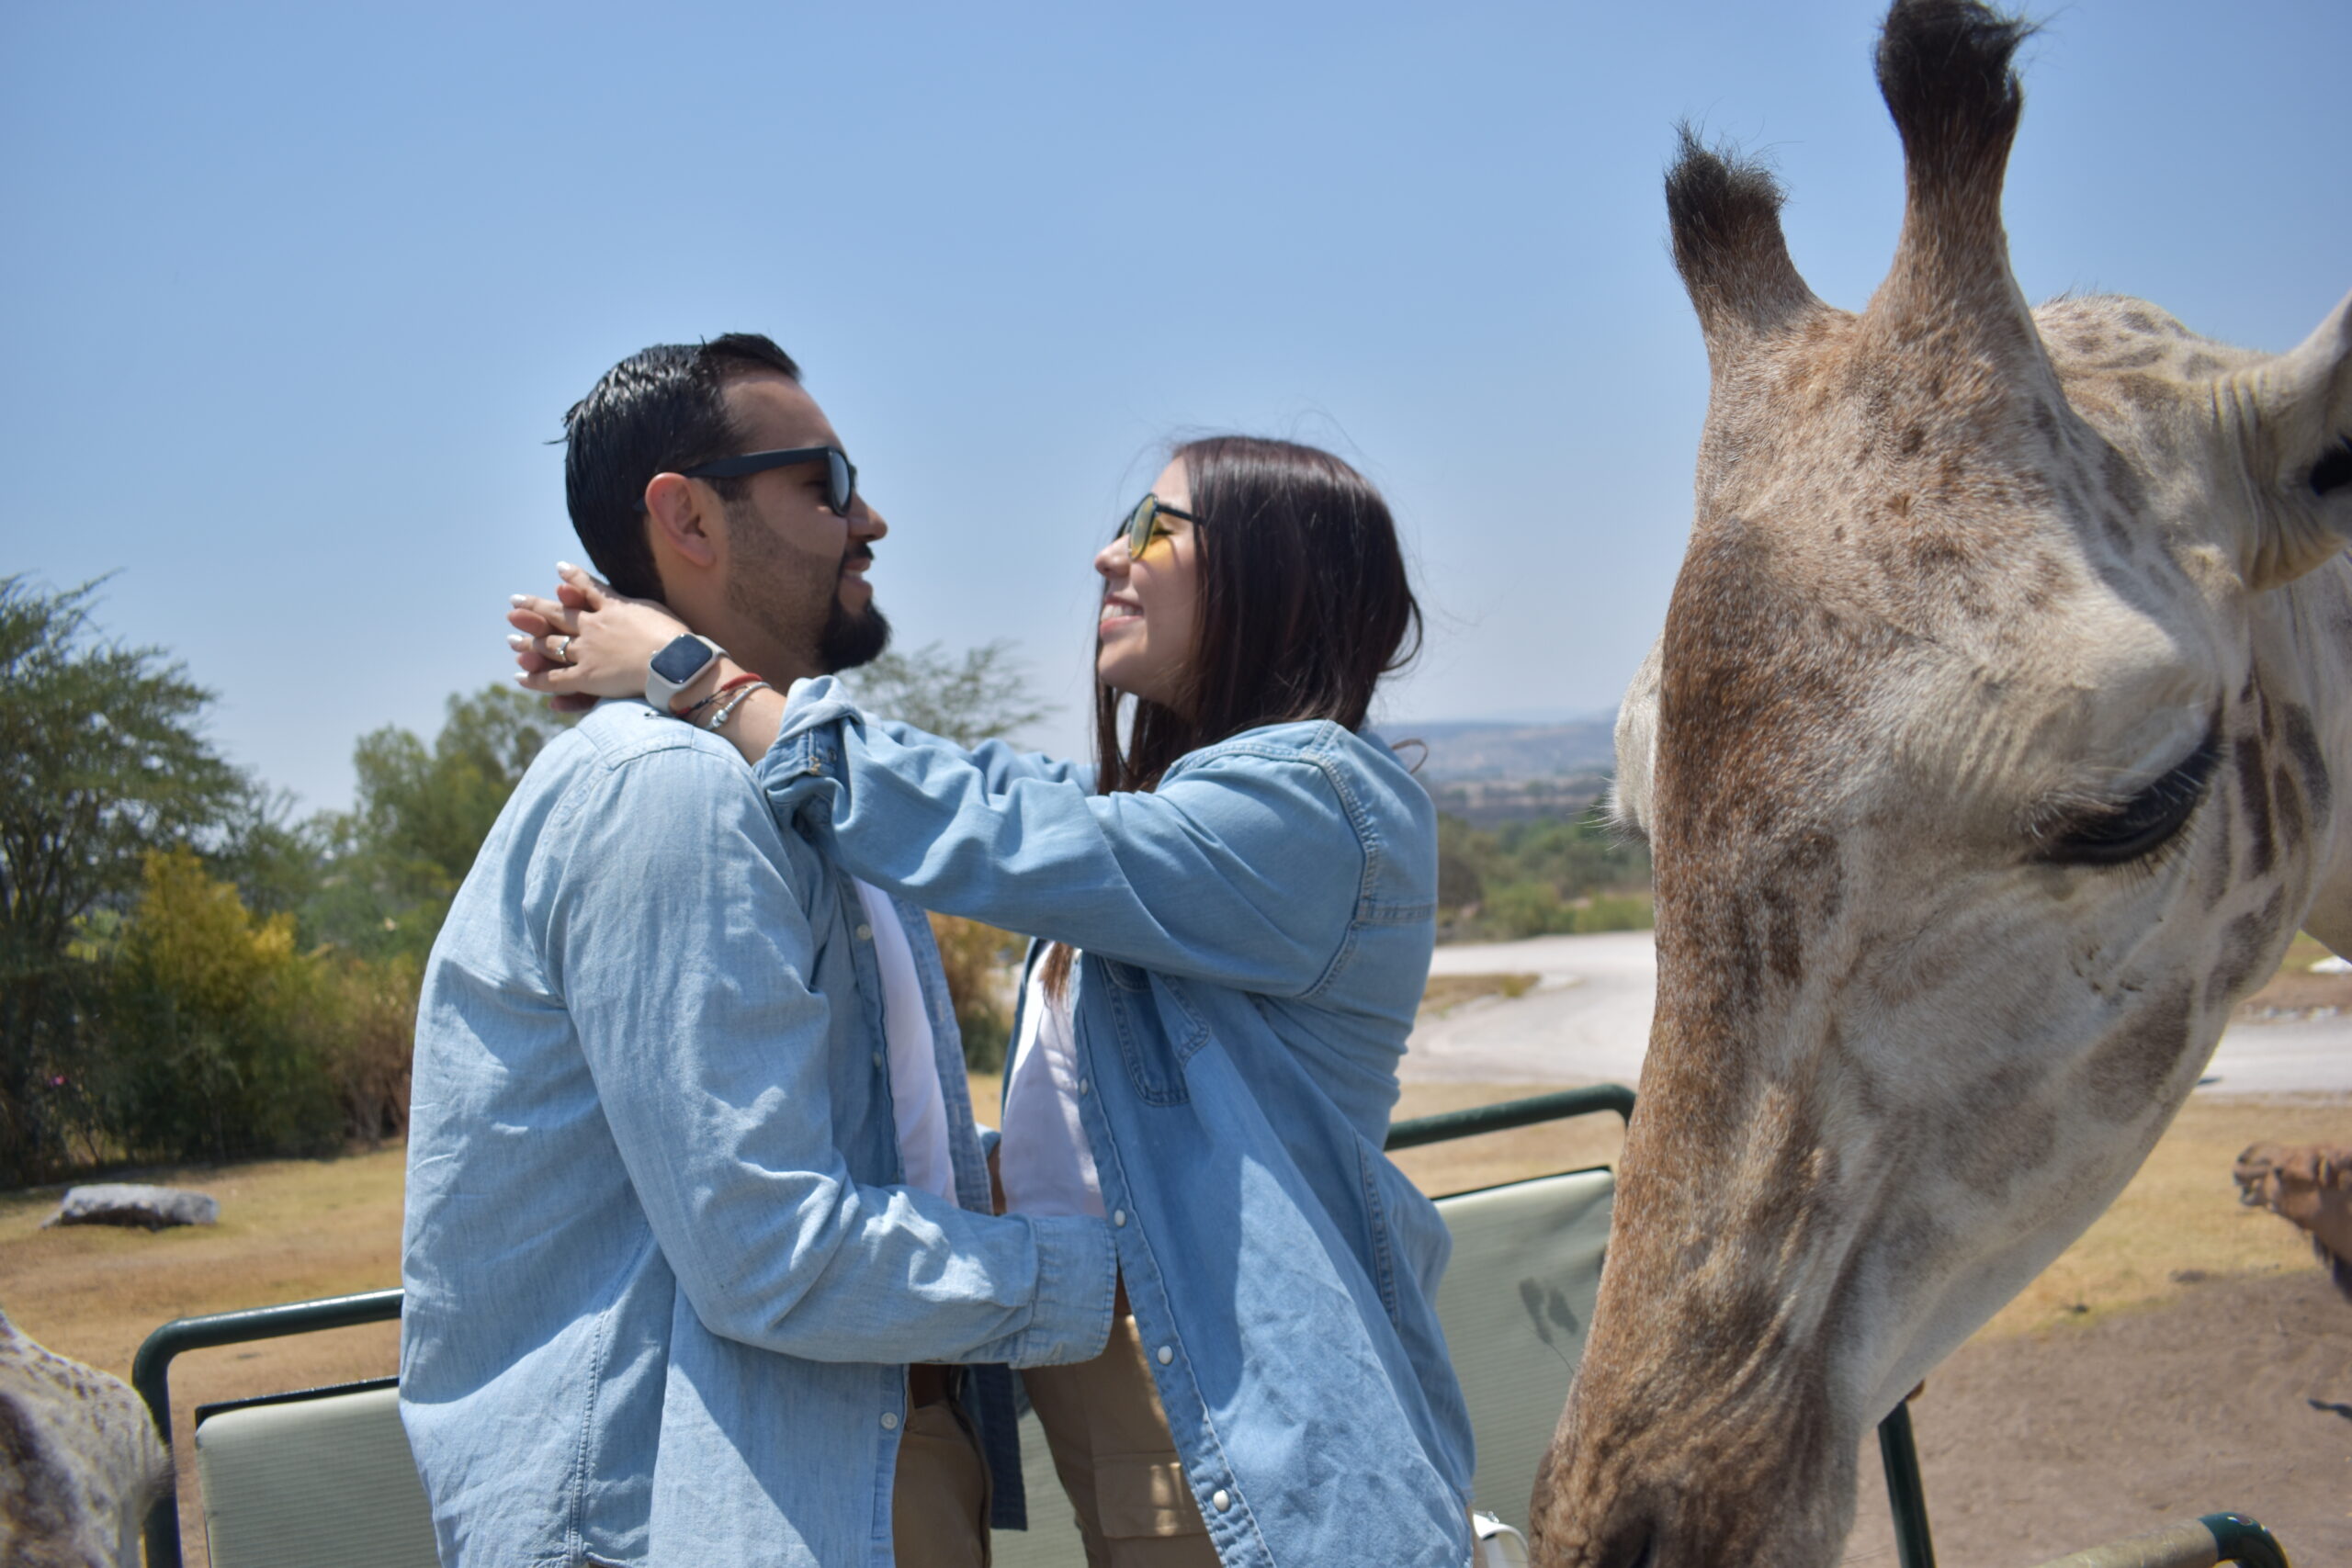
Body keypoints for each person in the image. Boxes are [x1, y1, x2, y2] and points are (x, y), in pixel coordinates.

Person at [511, 436, 1476, 1567]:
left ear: (1279, 569)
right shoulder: (1179, 814)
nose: (1109, 554)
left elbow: (992, 834)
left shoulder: (1321, 805)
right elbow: (1001, 800)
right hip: (1167, 1419)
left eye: (1157, 527)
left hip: (1255, 1424)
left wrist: (699, 677)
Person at [401, 333, 1117, 1568]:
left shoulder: (769, 785)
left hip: (847, 1461)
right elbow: (769, 1247)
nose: (870, 517)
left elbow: (871, 1149)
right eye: (826, 483)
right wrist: (1100, 1271)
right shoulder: (668, 790)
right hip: (710, 1504)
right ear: (688, 519)